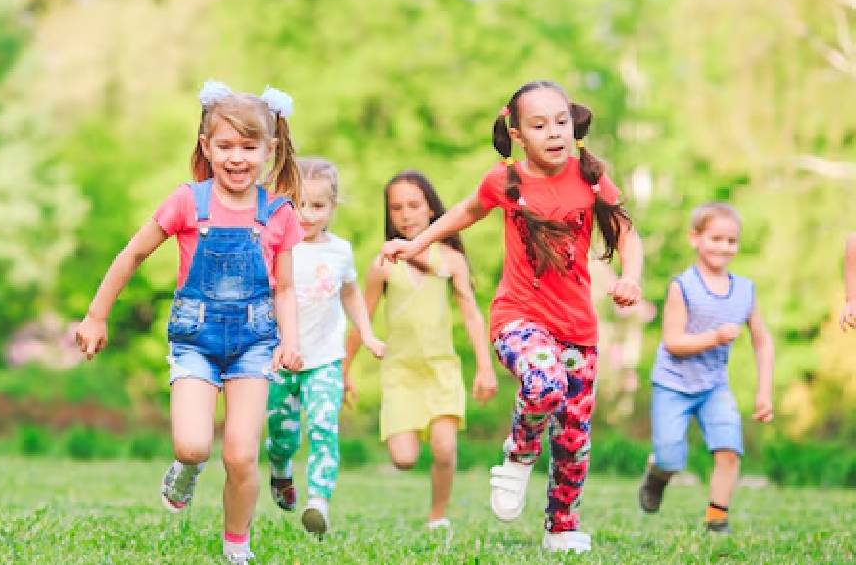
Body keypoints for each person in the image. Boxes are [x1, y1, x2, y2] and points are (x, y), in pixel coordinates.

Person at [380, 80, 644, 553]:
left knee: (573, 438)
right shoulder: (503, 183)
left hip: (579, 328)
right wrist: (416, 244)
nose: (554, 132)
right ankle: (519, 454)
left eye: (561, 121)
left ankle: (561, 528)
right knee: (544, 385)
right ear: (518, 133)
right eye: (539, 125)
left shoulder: (590, 175)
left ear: (573, 123)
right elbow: (463, 212)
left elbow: (625, 232)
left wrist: (632, 277)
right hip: (518, 318)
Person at [75, 81, 304, 564]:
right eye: (225, 146)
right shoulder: (187, 202)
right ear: (205, 146)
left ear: (270, 148)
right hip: (196, 341)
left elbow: (284, 288)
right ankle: (186, 468)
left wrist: (291, 341)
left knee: (241, 455)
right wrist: (97, 315)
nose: (237, 158)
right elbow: (132, 253)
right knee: (193, 444)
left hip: (255, 344)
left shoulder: (279, 214)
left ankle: (236, 546)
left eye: (249, 146)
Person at [349, 170, 497, 530]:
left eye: (414, 205)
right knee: (403, 458)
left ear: (432, 210)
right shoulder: (382, 265)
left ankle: (437, 516)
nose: (405, 214)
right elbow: (362, 320)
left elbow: (473, 317)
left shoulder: (451, 261)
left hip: (441, 370)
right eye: (396, 208)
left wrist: (484, 366)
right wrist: (343, 370)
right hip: (400, 373)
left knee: (445, 449)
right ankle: (407, 451)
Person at [637, 202, 775, 534]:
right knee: (671, 457)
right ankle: (658, 475)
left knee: (729, 450)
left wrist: (764, 391)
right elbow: (672, 341)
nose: (724, 247)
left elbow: (762, 341)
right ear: (694, 238)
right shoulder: (682, 286)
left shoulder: (745, 290)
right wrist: (714, 337)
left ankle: (717, 519)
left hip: (714, 386)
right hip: (673, 384)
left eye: (731, 241)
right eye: (716, 238)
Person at [264, 157, 384, 536]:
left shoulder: (340, 251)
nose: (307, 214)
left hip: (325, 359)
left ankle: (318, 500)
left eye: (318, 205)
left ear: (333, 206)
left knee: (323, 427)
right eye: (299, 203)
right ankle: (281, 468)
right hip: (279, 360)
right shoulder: (276, 246)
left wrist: (366, 333)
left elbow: (350, 293)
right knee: (282, 435)